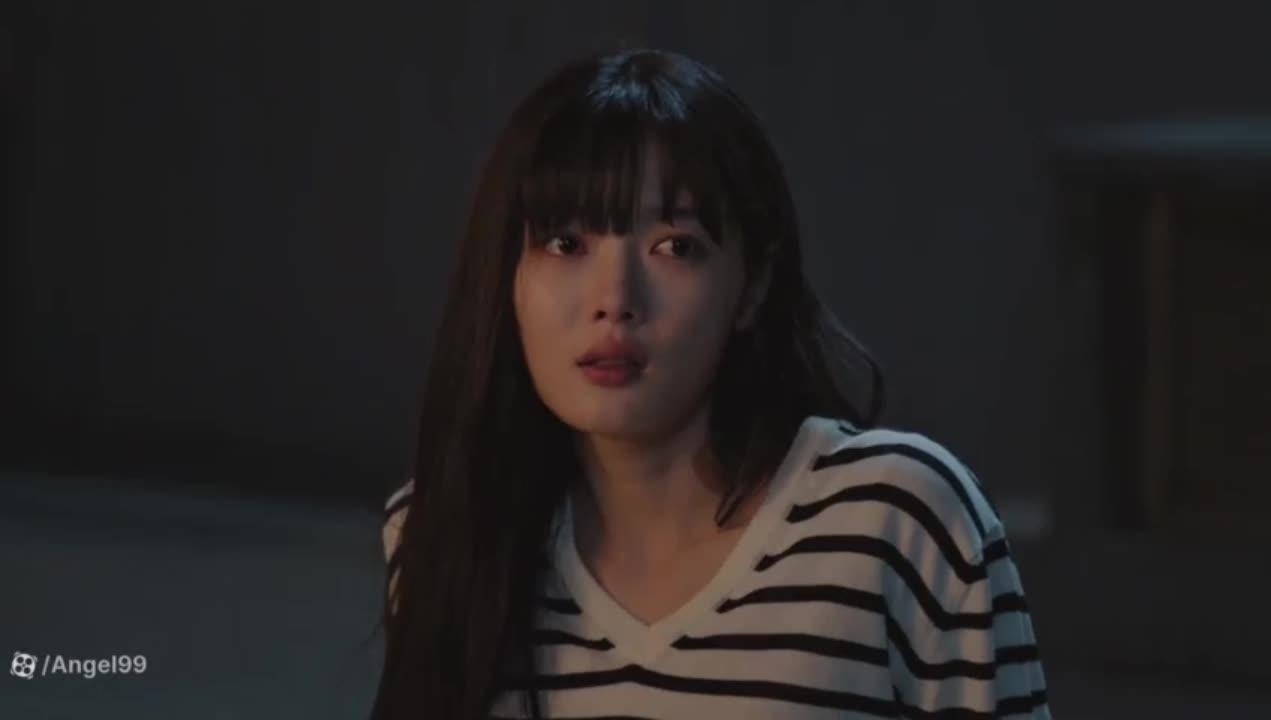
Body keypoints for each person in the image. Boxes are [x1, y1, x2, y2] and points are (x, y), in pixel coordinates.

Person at [372, 48, 1051, 720]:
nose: (615, 300)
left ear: (751, 286)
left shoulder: (897, 521)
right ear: (507, 278)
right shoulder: (444, 530)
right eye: (566, 243)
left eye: (675, 246)